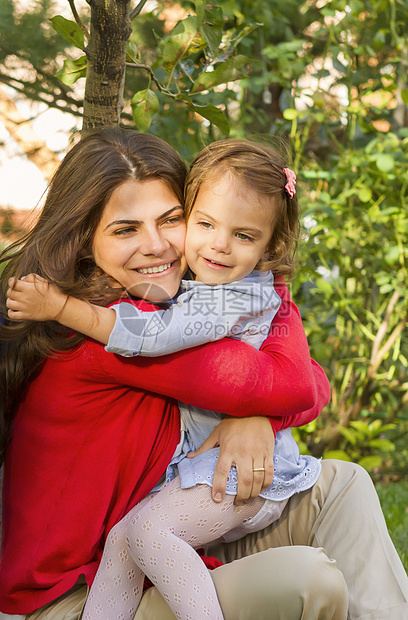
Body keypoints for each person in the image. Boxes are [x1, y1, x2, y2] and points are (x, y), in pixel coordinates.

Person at [4, 131, 408, 620]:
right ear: (84, 240)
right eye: (125, 229)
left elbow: (305, 382)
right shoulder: (103, 332)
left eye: (171, 220)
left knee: (342, 486)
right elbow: (296, 385)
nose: (156, 246)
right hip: (71, 597)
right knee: (308, 580)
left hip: (160, 550)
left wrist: (260, 418)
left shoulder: (175, 302)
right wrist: (262, 398)